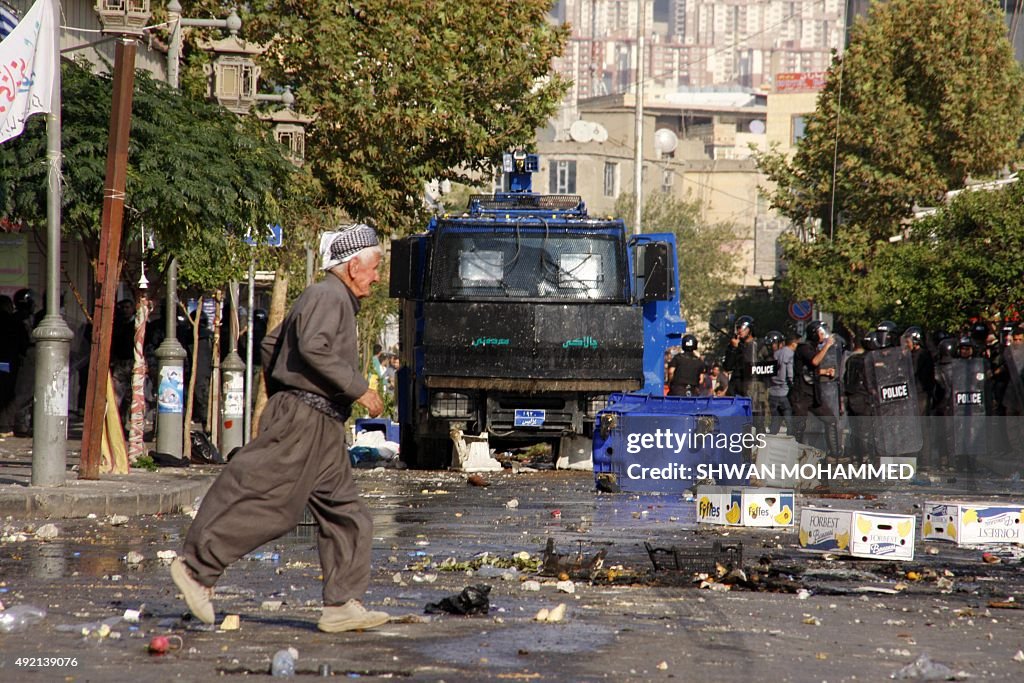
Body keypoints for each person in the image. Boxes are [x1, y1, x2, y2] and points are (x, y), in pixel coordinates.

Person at [170, 223, 390, 633]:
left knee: (348, 515)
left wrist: (285, 391)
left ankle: (342, 605)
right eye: (375, 267)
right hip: (307, 418)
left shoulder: (329, 297)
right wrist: (355, 389)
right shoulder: (328, 295)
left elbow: (274, 345)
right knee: (274, 507)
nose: (377, 276)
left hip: (322, 422)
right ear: (353, 265)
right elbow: (312, 347)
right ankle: (197, 569)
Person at [789, 320, 841, 458]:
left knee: (830, 419)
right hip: (801, 393)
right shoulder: (803, 347)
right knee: (799, 426)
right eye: (821, 333)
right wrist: (827, 345)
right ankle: (794, 455)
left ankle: (834, 454)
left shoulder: (813, 348)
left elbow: (810, 370)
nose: (823, 336)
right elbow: (814, 361)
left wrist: (824, 372)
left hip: (813, 393)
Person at [768, 331, 796, 435]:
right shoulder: (789, 353)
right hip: (785, 391)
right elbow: (790, 374)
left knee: (775, 421)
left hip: (773, 391)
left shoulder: (773, 355)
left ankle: (770, 440)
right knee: (789, 421)